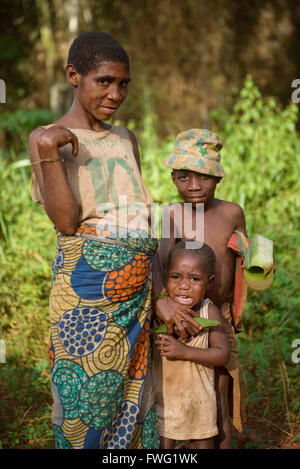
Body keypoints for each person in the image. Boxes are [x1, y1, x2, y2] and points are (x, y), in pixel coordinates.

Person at [28, 30, 165, 449]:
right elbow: (67, 222)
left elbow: (142, 219)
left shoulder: (126, 139)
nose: (116, 92)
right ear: (74, 75)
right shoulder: (46, 138)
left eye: (123, 83)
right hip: (89, 290)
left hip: (138, 290)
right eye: (104, 81)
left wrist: (158, 289)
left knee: (136, 401)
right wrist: (50, 151)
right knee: (88, 400)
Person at [158, 128, 248, 448]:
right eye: (184, 177)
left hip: (219, 315)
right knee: (180, 393)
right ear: (173, 179)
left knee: (221, 392)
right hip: (184, 317)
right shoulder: (173, 214)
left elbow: (243, 257)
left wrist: (258, 261)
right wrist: (164, 306)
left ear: (218, 177)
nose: (194, 186)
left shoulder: (231, 212)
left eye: (203, 176)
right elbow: (160, 264)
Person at [153, 241, 229, 449]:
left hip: (199, 406)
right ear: (165, 277)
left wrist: (185, 351)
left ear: (210, 282)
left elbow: (222, 354)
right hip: (164, 405)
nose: (184, 286)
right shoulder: (159, 313)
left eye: (194, 279)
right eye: (175, 277)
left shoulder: (208, 312)